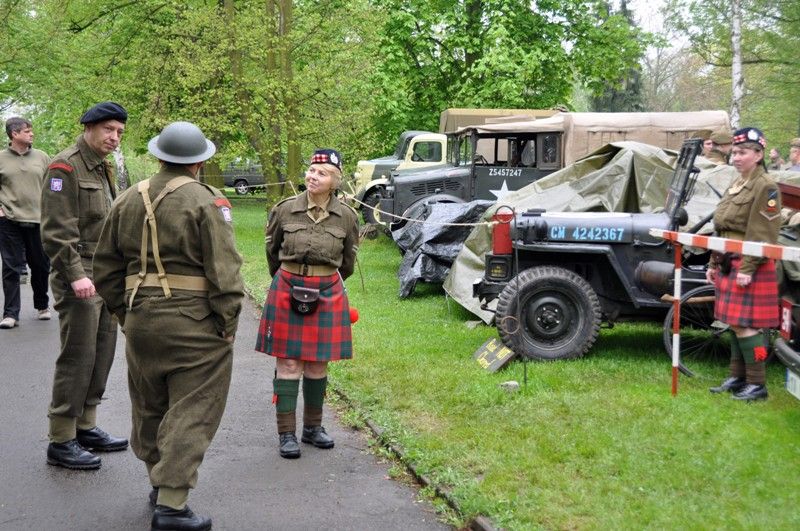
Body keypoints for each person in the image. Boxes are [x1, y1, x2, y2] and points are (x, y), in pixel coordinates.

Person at [93, 121, 243, 531]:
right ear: (199, 162)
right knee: (193, 408)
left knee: (150, 404)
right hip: (194, 322)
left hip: (140, 319)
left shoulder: (126, 198)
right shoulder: (207, 201)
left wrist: (126, 314)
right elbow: (225, 270)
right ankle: (172, 505)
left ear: (160, 155)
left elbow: (104, 268)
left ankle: (157, 486)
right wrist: (227, 322)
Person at [40, 102, 129, 470]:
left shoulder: (105, 166)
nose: (114, 137)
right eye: (109, 129)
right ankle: (61, 438)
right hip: (79, 273)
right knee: (78, 354)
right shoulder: (65, 166)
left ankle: (86, 425)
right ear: (89, 127)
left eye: (120, 132)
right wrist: (76, 275)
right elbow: (57, 230)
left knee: (102, 351)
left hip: (105, 274)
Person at [256, 148, 359, 459]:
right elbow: (273, 252)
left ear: (335, 181)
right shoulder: (284, 210)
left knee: (317, 362)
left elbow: (348, 262)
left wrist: (323, 279)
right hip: (288, 285)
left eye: (322, 173)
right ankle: (286, 432)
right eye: (312, 171)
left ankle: (313, 428)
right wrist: (288, 278)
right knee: (288, 362)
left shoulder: (348, 217)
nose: (314, 177)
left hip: (327, 287)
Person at [706, 127, 780, 401]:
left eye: (743, 152)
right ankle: (738, 378)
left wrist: (748, 268)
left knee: (748, 328)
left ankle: (757, 383)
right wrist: (713, 264)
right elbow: (722, 228)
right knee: (734, 324)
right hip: (729, 259)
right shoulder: (736, 183)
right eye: (734, 152)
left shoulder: (766, 187)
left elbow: (763, 232)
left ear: (759, 154)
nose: (736, 157)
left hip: (750, 264)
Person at [0, 117, 51, 329]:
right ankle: (10, 314)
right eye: (27, 131)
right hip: (9, 220)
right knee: (11, 268)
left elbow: (54, 183)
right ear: (14, 134)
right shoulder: (1, 158)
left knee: (40, 265)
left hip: (39, 218)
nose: (31, 134)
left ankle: (42, 306)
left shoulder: (42, 157)